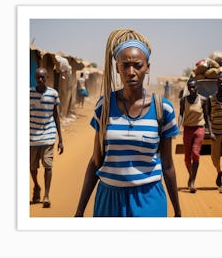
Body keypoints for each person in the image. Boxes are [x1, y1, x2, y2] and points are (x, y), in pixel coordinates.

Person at [75, 28, 181, 217]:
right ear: (117, 68)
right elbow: (95, 161)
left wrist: (178, 212)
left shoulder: (162, 109)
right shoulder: (104, 106)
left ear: (147, 67)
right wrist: (79, 211)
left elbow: (168, 165)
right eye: (125, 66)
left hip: (148, 199)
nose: (131, 72)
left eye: (138, 65)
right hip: (109, 201)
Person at [30, 67, 64, 208]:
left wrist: (60, 139)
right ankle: (37, 186)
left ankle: (46, 195)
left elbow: (56, 116)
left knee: (48, 166)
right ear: (35, 78)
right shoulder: (28, 94)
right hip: (31, 137)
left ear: (47, 77)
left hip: (48, 136)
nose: (41, 80)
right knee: (32, 168)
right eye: (38, 77)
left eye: (43, 77)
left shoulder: (53, 94)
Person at [178, 77, 211, 193]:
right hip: (187, 129)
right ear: (188, 87)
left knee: (195, 153)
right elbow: (181, 114)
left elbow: (207, 117)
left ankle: (192, 182)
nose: (192, 89)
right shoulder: (183, 100)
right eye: (190, 87)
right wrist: (178, 127)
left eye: (194, 86)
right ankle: (191, 175)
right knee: (187, 158)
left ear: (197, 87)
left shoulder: (203, 100)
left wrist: (210, 132)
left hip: (199, 129)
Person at [208, 73, 222, 193]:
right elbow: (208, 117)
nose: (221, 84)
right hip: (215, 132)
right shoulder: (211, 99)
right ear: (216, 84)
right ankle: (219, 172)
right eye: (219, 82)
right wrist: (210, 132)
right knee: (214, 158)